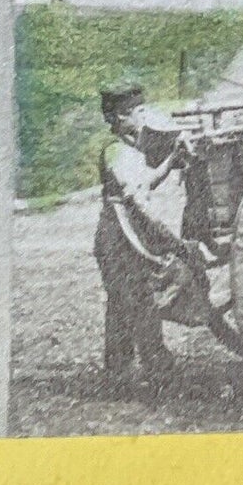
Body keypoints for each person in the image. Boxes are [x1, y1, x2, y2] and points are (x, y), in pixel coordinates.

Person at [93, 84, 211, 395]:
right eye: (139, 112)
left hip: (126, 230)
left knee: (130, 301)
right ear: (122, 118)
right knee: (133, 301)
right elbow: (138, 203)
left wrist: (171, 161)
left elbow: (146, 183)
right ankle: (150, 372)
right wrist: (171, 241)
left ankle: (125, 372)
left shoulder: (130, 151)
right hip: (119, 235)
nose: (145, 117)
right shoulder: (116, 152)